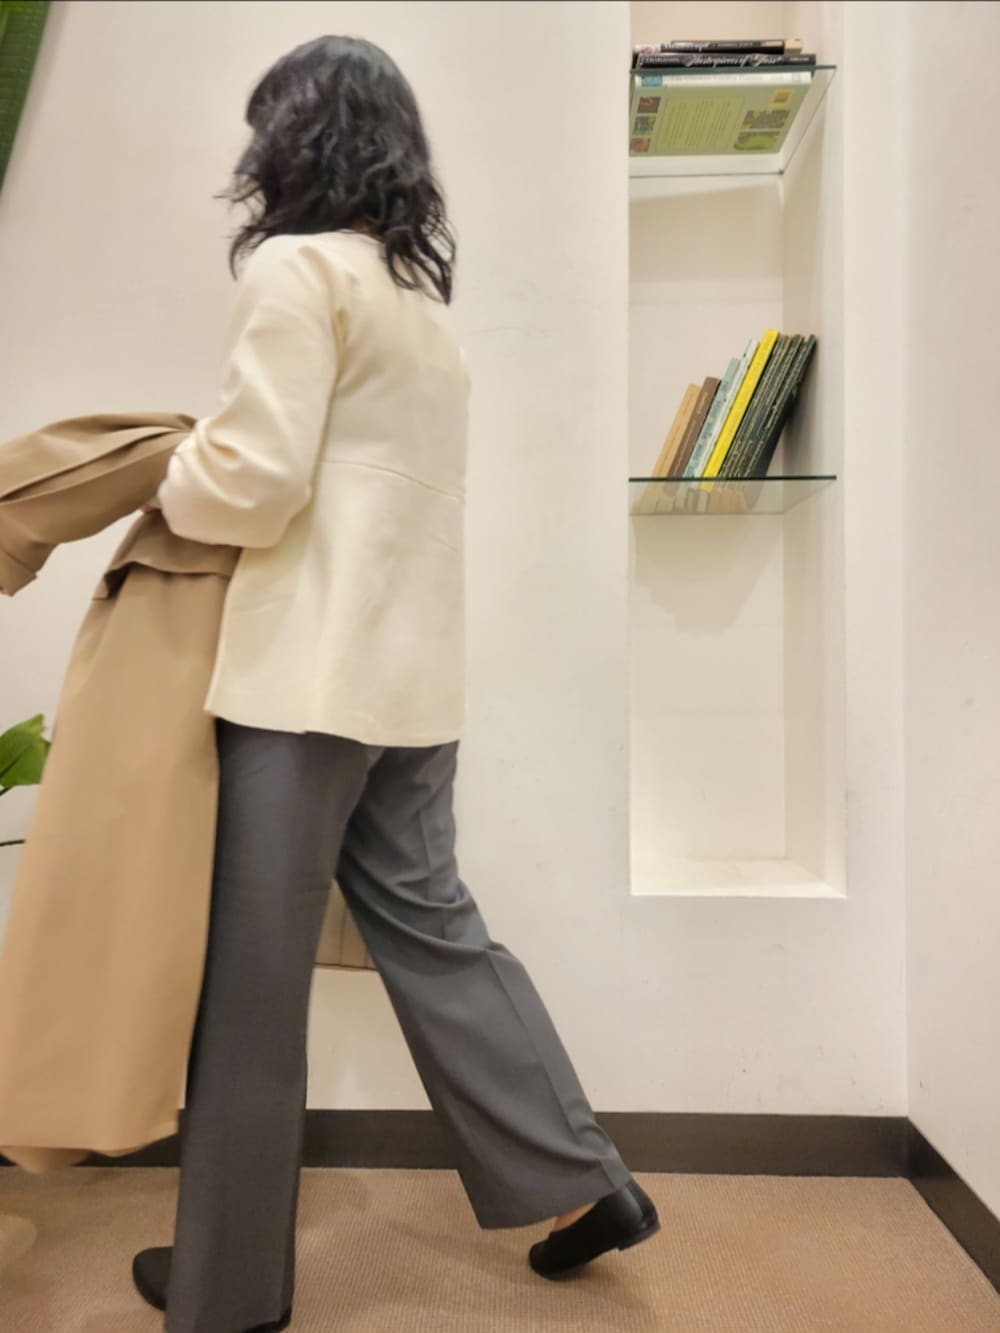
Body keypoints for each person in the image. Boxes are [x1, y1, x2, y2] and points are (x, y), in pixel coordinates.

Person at [130, 35, 659, 1333]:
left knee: (252, 988)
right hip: (412, 686)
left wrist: (166, 481)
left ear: (289, 142)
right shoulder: (420, 312)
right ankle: (584, 1175)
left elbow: (253, 479)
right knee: (437, 932)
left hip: (303, 687)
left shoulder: (297, 271)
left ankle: (225, 1294)